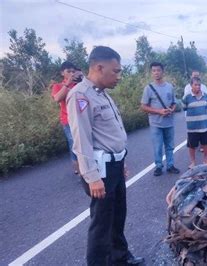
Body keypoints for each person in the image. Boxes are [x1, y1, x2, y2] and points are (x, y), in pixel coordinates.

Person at [66, 46, 144, 265]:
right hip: (100, 170)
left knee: (117, 217)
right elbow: (81, 140)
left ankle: (120, 258)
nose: (119, 76)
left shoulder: (102, 94)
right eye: (115, 71)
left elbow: (110, 134)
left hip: (114, 165)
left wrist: (121, 161)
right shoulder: (80, 95)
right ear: (99, 67)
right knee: (101, 224)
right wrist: (91, 177)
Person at [140, 62, 180, 176]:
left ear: (163, 71)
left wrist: (172, 109)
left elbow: (174, 102)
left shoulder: (170, 87)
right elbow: (143, 106)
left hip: (169, 122)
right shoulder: (148, 88)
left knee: (170, 146)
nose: (156, 73)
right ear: (151, 73)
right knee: (157, 146)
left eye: (158, 70)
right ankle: (158, 166)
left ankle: (170, 165)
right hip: (155, 123)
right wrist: (159, 111)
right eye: (153, 70)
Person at [51, 61, 80, 175]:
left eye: (73, 71)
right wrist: (67, 85)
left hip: (81, 119)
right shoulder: (57, 86)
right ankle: (77, 167)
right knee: (73, 143)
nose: (71, 73)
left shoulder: (79, 85)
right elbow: (57, 98)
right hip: (68, 120)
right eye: (68, 71)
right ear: (62, 73)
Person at [182, 77, 207, 168]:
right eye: (195, 85)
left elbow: (205, 107)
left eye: (199, 85)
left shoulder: (205, 95)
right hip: (192, 127)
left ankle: (205, 160)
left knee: (206, 144)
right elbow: (184, 108)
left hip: (204, 126)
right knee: (192, 146)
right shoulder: (186, 97)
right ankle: (193, 162)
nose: (198, 86)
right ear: (191, 86)